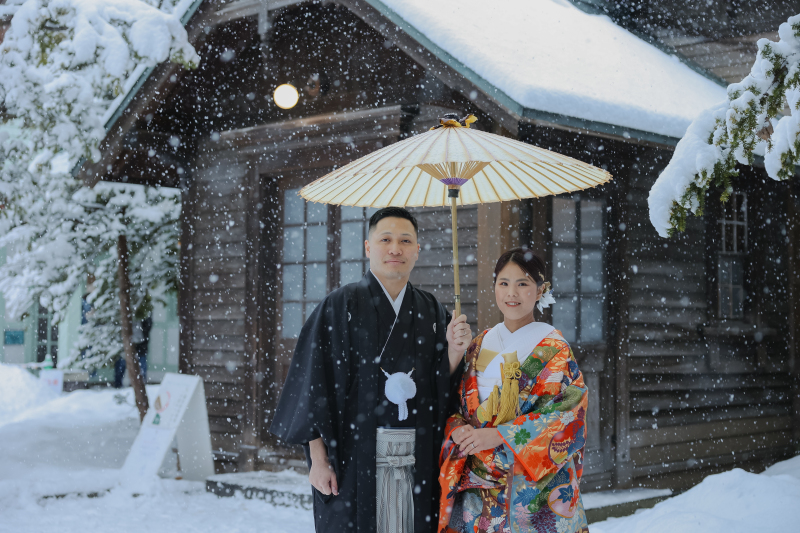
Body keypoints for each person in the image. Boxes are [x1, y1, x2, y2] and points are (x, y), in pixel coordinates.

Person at [270, 207, 472, 533]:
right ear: (368, 247)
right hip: (353, 459)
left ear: (417, 250)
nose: (396, 249)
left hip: (417, 459)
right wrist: (318, 460)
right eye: (386, 239)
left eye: (405, 241)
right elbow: (313, 386)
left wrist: (454, 351)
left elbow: (441, 388)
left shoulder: (432, 311)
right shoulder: (339, 306)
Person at [438, 248, 589, 533]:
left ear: (540, 290)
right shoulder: (479, 344)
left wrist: (499, 435)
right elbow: (455, 404)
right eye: (504, 283)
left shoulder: (555, 349)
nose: (512, 293)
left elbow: (569, 415)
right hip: (477, 490)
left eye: (523, 283)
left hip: (531, 492)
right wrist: (458, 430)